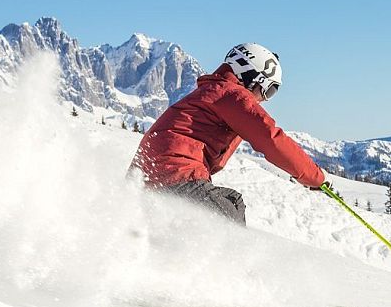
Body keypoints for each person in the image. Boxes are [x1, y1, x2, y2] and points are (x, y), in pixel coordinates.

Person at [130, 43, 330, 225]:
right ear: (253, 78)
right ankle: (228, 263)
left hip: (148, 179)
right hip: (176, 174)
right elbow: (271, 139)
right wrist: (315, 178)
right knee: (229, 205)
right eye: (268, 91)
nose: (265, 99)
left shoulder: (210, 92)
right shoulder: (231, 95)